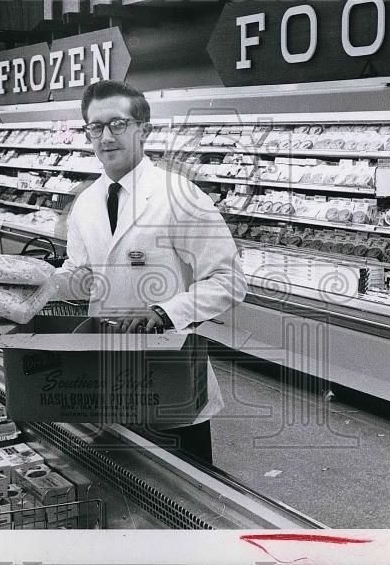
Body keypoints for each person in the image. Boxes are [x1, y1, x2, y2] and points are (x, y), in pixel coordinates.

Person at [44, 80, 247, 466]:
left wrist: (164, 312)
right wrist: (38, 285)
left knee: (183, 492)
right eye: (95, 127)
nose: (105, 137)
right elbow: (81, 274)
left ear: (144, 130)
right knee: (123, 484)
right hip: (104, 366)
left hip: (168, 368)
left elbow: (230, 280)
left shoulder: (180, 196)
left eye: (117, 124)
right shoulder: (86, 202)